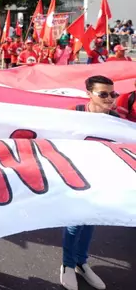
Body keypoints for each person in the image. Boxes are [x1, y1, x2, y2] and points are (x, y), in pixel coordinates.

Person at [61, 75, 119, 290]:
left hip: (102, 176)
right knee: (76, 221)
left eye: (113, 94)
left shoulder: (116, 119)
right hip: (74, 175)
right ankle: (67, 265)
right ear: (89, 94)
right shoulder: (72, 113)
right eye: (103, 94)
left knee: (92, 219)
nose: (110, 98)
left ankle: (81, 263)